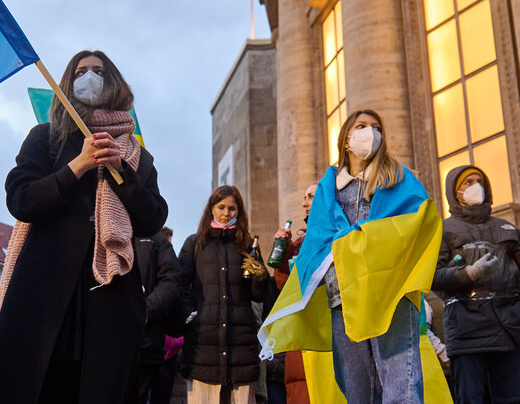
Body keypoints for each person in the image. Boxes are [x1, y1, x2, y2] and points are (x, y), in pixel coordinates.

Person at [0, 50, 168, 404]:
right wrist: (76, 167)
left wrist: (124, 177)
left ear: (114, 83)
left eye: (99, 71)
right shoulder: (46, 137)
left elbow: (154, 218)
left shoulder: (136, 153)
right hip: (44, 294)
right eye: (81, 72)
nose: (90, 78)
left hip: (109, 295)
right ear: (67, 83)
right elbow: (20, 199)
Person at [258, 110, 444, 404]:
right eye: (361, 126)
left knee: (402, 389)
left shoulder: (400, 178)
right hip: (343, 297)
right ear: (345, 140)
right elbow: (316, 242)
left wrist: (352, 243)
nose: (370, 132)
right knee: (357, 393)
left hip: (390, 295)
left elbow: (416, 228)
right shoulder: (327, 187)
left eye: (376, 127)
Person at [431, 165, 520, 404]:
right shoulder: (442, 229)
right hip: (466, 328)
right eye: (467, 182)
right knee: (471, 399)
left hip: (509, 328)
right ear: (454, 191)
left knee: (509, 399)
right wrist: (469, 273)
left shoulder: (505, 227)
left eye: (479, 181)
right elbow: (433, 277)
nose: (475, 186)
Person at [176, 185, 271, 404]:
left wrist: (260, 274)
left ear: (239, 211)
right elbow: (179, 285)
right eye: (221, 207)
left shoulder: (248, 244)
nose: (226, 213)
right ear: (211, 208)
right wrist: (190, 316)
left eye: (232, 208)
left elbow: (258, 296)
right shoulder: (195, 243)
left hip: (241, 349)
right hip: (203, 346)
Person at [272, 184, 317, 404]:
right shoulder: (300, 243)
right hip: (301, 332)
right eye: (304, 197)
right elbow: (285, 287)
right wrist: (286, 252)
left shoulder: (338, 235)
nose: (303, 203)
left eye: (310, 197)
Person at [135, 227, 182, 404]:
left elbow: (172, 281)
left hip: (148, 344)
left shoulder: (156, 240)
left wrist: (143, 312)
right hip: (106, 345)